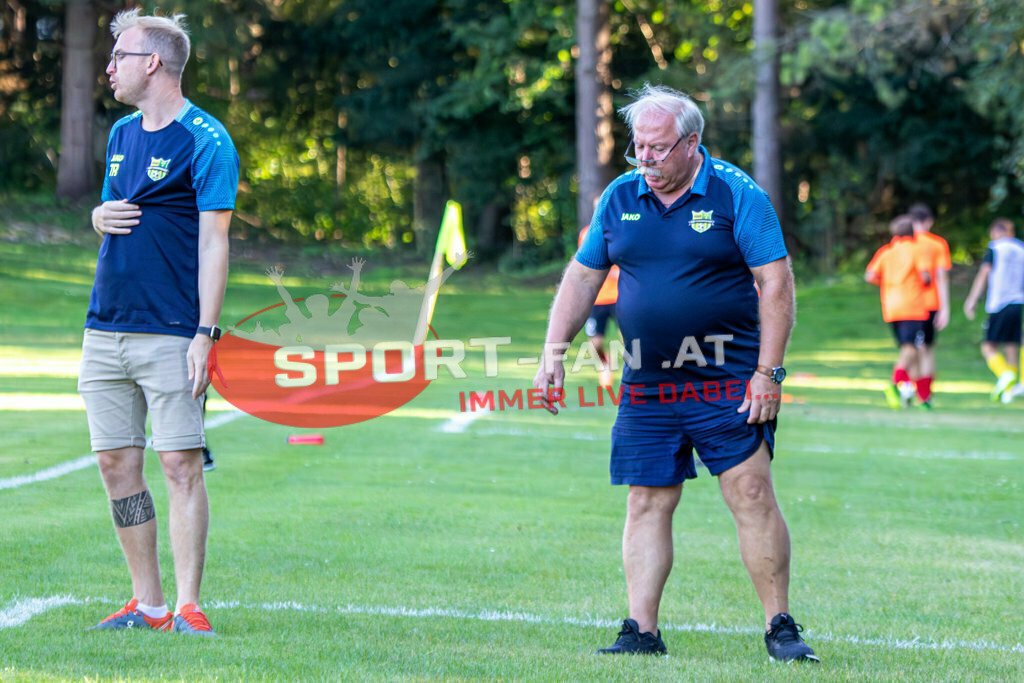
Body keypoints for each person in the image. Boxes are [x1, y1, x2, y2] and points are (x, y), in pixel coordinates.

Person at [533, 84, 817, 662]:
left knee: (751, 492)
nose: (647, 160)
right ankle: (642, 632)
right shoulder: (620, 196)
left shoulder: (738, 195)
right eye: (639, 147)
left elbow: (776, 283)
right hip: (648, 381)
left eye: (660, 149)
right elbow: (585, 277)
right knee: (646, 500)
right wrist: (553, 351)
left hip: (728, 377)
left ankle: (780, 627)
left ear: (692, 143)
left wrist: (770, 371)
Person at [78, 8, 239, 636]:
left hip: (172, 330)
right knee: (117, 463)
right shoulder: (121, 132)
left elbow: (214, 244)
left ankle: (188, 603)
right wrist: (96, 216)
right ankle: (147, 604)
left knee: (180, 465)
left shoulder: (207, 138)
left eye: (119, 54)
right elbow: (119, 211)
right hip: (104, 326)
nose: (109, 65)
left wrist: (205, 332)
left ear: (154, 63)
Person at [865, 215, 932, 409]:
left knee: (909, 350)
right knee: (911, 349)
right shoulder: (917, 250)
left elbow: (870, 276)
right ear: (912, 232)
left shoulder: (886, 252)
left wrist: (887, 283)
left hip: (892, 307)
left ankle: (921, 396)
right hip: (913, 306)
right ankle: (894, 383)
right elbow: (925, 276)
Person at [963, 218, 1024, 402]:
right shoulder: (1020, 248)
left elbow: (984, 273)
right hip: (1018, 302)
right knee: (1012, 344)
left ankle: (1005, 374)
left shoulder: (995, 248)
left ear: (995, 232)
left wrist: (972, 299)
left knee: (988, 346)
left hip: (1000, 303)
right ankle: (1010, 391)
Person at [908, 203, 951, 407]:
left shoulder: (903, 243)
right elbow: (941, 277)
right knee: (927, 350)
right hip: (929, 304)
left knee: (913, 349)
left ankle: (917, 392)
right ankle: (924, 395)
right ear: (929, 221)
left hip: (906, 306)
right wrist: (945, 308)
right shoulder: (937, 244)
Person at [578, 224, 619, 387]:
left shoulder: (623, 227)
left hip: (620, 296)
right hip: (597, 298)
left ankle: (638, 373)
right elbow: (584, 263)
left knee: (631, 339)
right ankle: (605, 363)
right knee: (595, 343)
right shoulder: (587, 233)